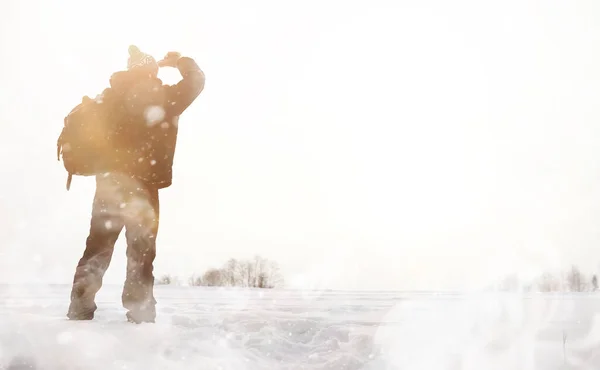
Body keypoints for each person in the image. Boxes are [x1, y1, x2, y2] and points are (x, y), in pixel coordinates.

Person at [66, 46, 205, 323]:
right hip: (142, 183)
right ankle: (140, 311)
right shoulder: (160, 95)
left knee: (98, 245)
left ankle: (80, 304)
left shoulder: (107, 97)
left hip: (108, 182)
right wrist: (178, 61)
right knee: (141, 250)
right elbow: (196, 81)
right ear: (151, 69)